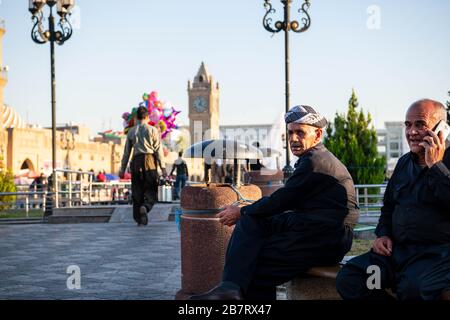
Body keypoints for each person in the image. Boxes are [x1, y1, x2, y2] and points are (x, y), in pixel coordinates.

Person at [190, 105, 359, 300]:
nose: (293, 139)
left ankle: (232, 288)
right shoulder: (313, 158)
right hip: (311, 227)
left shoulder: (316, 162)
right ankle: (229, 288)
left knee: (256, 264)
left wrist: (241, 211)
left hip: (326, 238)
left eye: (300, 133)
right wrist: (246, 213)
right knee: (251, 222)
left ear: (318, 134)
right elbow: (284, 202)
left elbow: (282, 200)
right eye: (290, 133)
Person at [336, 99, 450, 300]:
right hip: (397, 254)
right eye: (407, 125)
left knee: (413, 288)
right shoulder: (404, 163)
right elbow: (388, 206)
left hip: (437, 256)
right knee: (353, 277)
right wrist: (382, 234)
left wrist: (436, 165)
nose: (411, 132)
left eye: (420, 124)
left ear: (441, 129)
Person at [119, 106, 167, 226]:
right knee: (151, 188)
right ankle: (146, 206)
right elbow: (158, 150)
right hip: (149, 160)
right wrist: (163, 168)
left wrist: (122, 169)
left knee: (137, 190)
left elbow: (126, 152)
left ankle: (139, 218)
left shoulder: (131, 131)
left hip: (136, 161)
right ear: (147, 117)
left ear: (136, 117)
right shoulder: (153, 130)